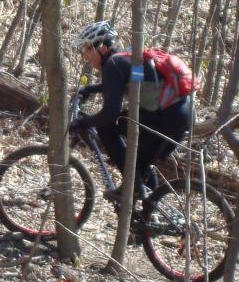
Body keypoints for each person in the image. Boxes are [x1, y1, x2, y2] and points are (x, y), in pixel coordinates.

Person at [68, 20, 193, 205]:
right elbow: (133, 84)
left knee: (107, 127)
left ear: (101, 47)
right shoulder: (123, 58)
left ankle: (131, 184)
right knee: (141, 163)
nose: (85, 56)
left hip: (166, 118)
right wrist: (91, 89)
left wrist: (84, 123)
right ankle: (146, 213)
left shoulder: (112, 66)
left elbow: (110, 114)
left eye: (87, 49)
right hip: (181, 115)